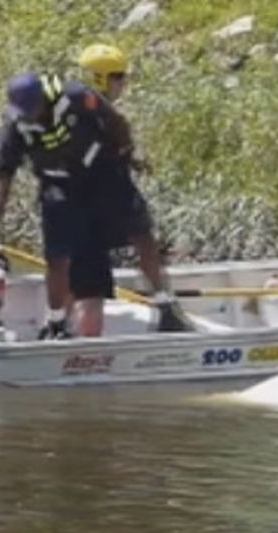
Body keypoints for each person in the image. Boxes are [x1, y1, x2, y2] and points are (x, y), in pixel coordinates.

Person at [0, 71, 119, 339]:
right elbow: (4, 176)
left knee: (92, 278)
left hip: (95, 192)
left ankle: (88, 347)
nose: (29, 115)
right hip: (57, 194)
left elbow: (114, 124)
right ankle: (56, 323)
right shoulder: (17, 124)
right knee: (57, 261)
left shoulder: (75, 99)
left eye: (33, 109)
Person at [71, 42, 192, 336]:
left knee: (86, 262)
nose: (124, 83)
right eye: (119, 76)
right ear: (101, 78)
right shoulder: (98, 112)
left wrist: (132, 160)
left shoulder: (71, 108)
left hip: (82, 199)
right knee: (145, 242)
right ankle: (164, 305)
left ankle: (63, 322)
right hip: (111, 193)